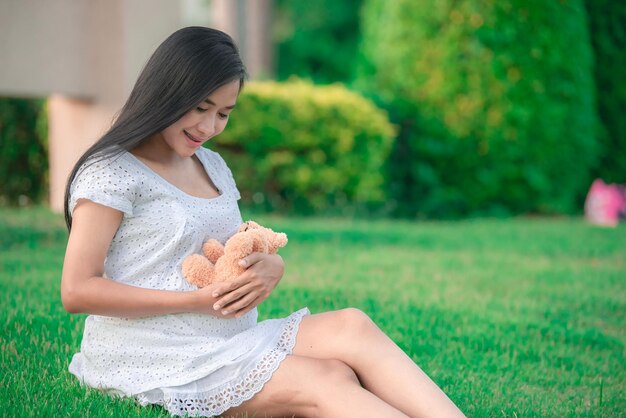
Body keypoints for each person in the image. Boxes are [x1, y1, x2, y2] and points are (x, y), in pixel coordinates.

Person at [61, 26, 465, 418]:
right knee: (325, 380)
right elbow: (77, 290)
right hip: (153, 354)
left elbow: (231, 246)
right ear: (166, 91)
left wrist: (272, 266)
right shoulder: (113, 170)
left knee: (352, 326)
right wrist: (195, 302)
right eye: (200, 108)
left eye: (223, 113)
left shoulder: (212, 165)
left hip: (228, 335)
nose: (209, 127)